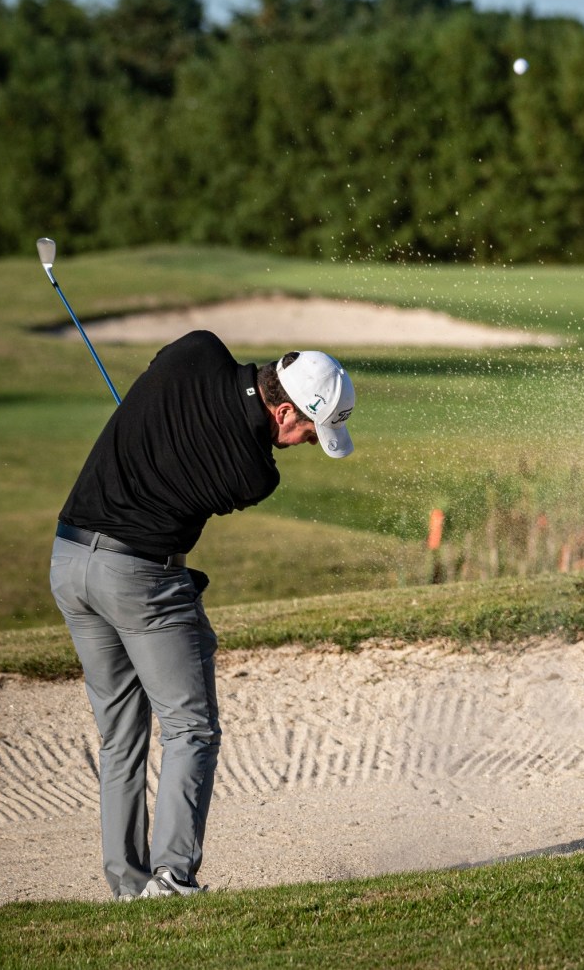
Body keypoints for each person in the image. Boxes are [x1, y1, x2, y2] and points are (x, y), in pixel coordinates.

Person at [49, 330, 356, 900]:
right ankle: (170, 879)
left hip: (69, 563)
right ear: (283, 409)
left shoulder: (199, 348)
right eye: (312, 429)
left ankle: (126, 882)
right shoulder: (255, 475)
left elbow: (162, 372)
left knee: (120, 735)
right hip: (138, 578)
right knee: (191, 728)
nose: (312, 441)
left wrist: (150, 421)